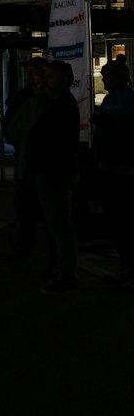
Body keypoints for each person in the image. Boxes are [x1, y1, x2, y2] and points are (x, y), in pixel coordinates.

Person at [25, 59, 81, 294]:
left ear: (64, 80)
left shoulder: (62, 105)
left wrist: (44, 169)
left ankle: (67, 276)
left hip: (53, 173)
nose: (44, 81)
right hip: (48, 171)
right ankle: (60, 268)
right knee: (56, 224)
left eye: (49, 77)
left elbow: (57, 144)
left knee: (60, 225)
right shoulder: (54, 102)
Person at [3, 59, 48, 272]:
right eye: (30, 73)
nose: (33, 78)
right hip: (27, 160)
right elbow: (12, 125)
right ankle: (24, 253)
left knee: (47, 212)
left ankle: (53, 261)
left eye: (36, 74)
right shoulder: (26, 98)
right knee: (25, 206)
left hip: (44, 165)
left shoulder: (51, 102)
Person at [93, 59, 134, 290]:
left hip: (125, 170)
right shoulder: (109, 99)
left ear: (120, 78)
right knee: (116, 223)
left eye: (108, 76)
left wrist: (112, 124)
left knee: (126, 222)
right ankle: (125, 266)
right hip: (108, 167)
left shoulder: (129, 99)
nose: (104, 80)